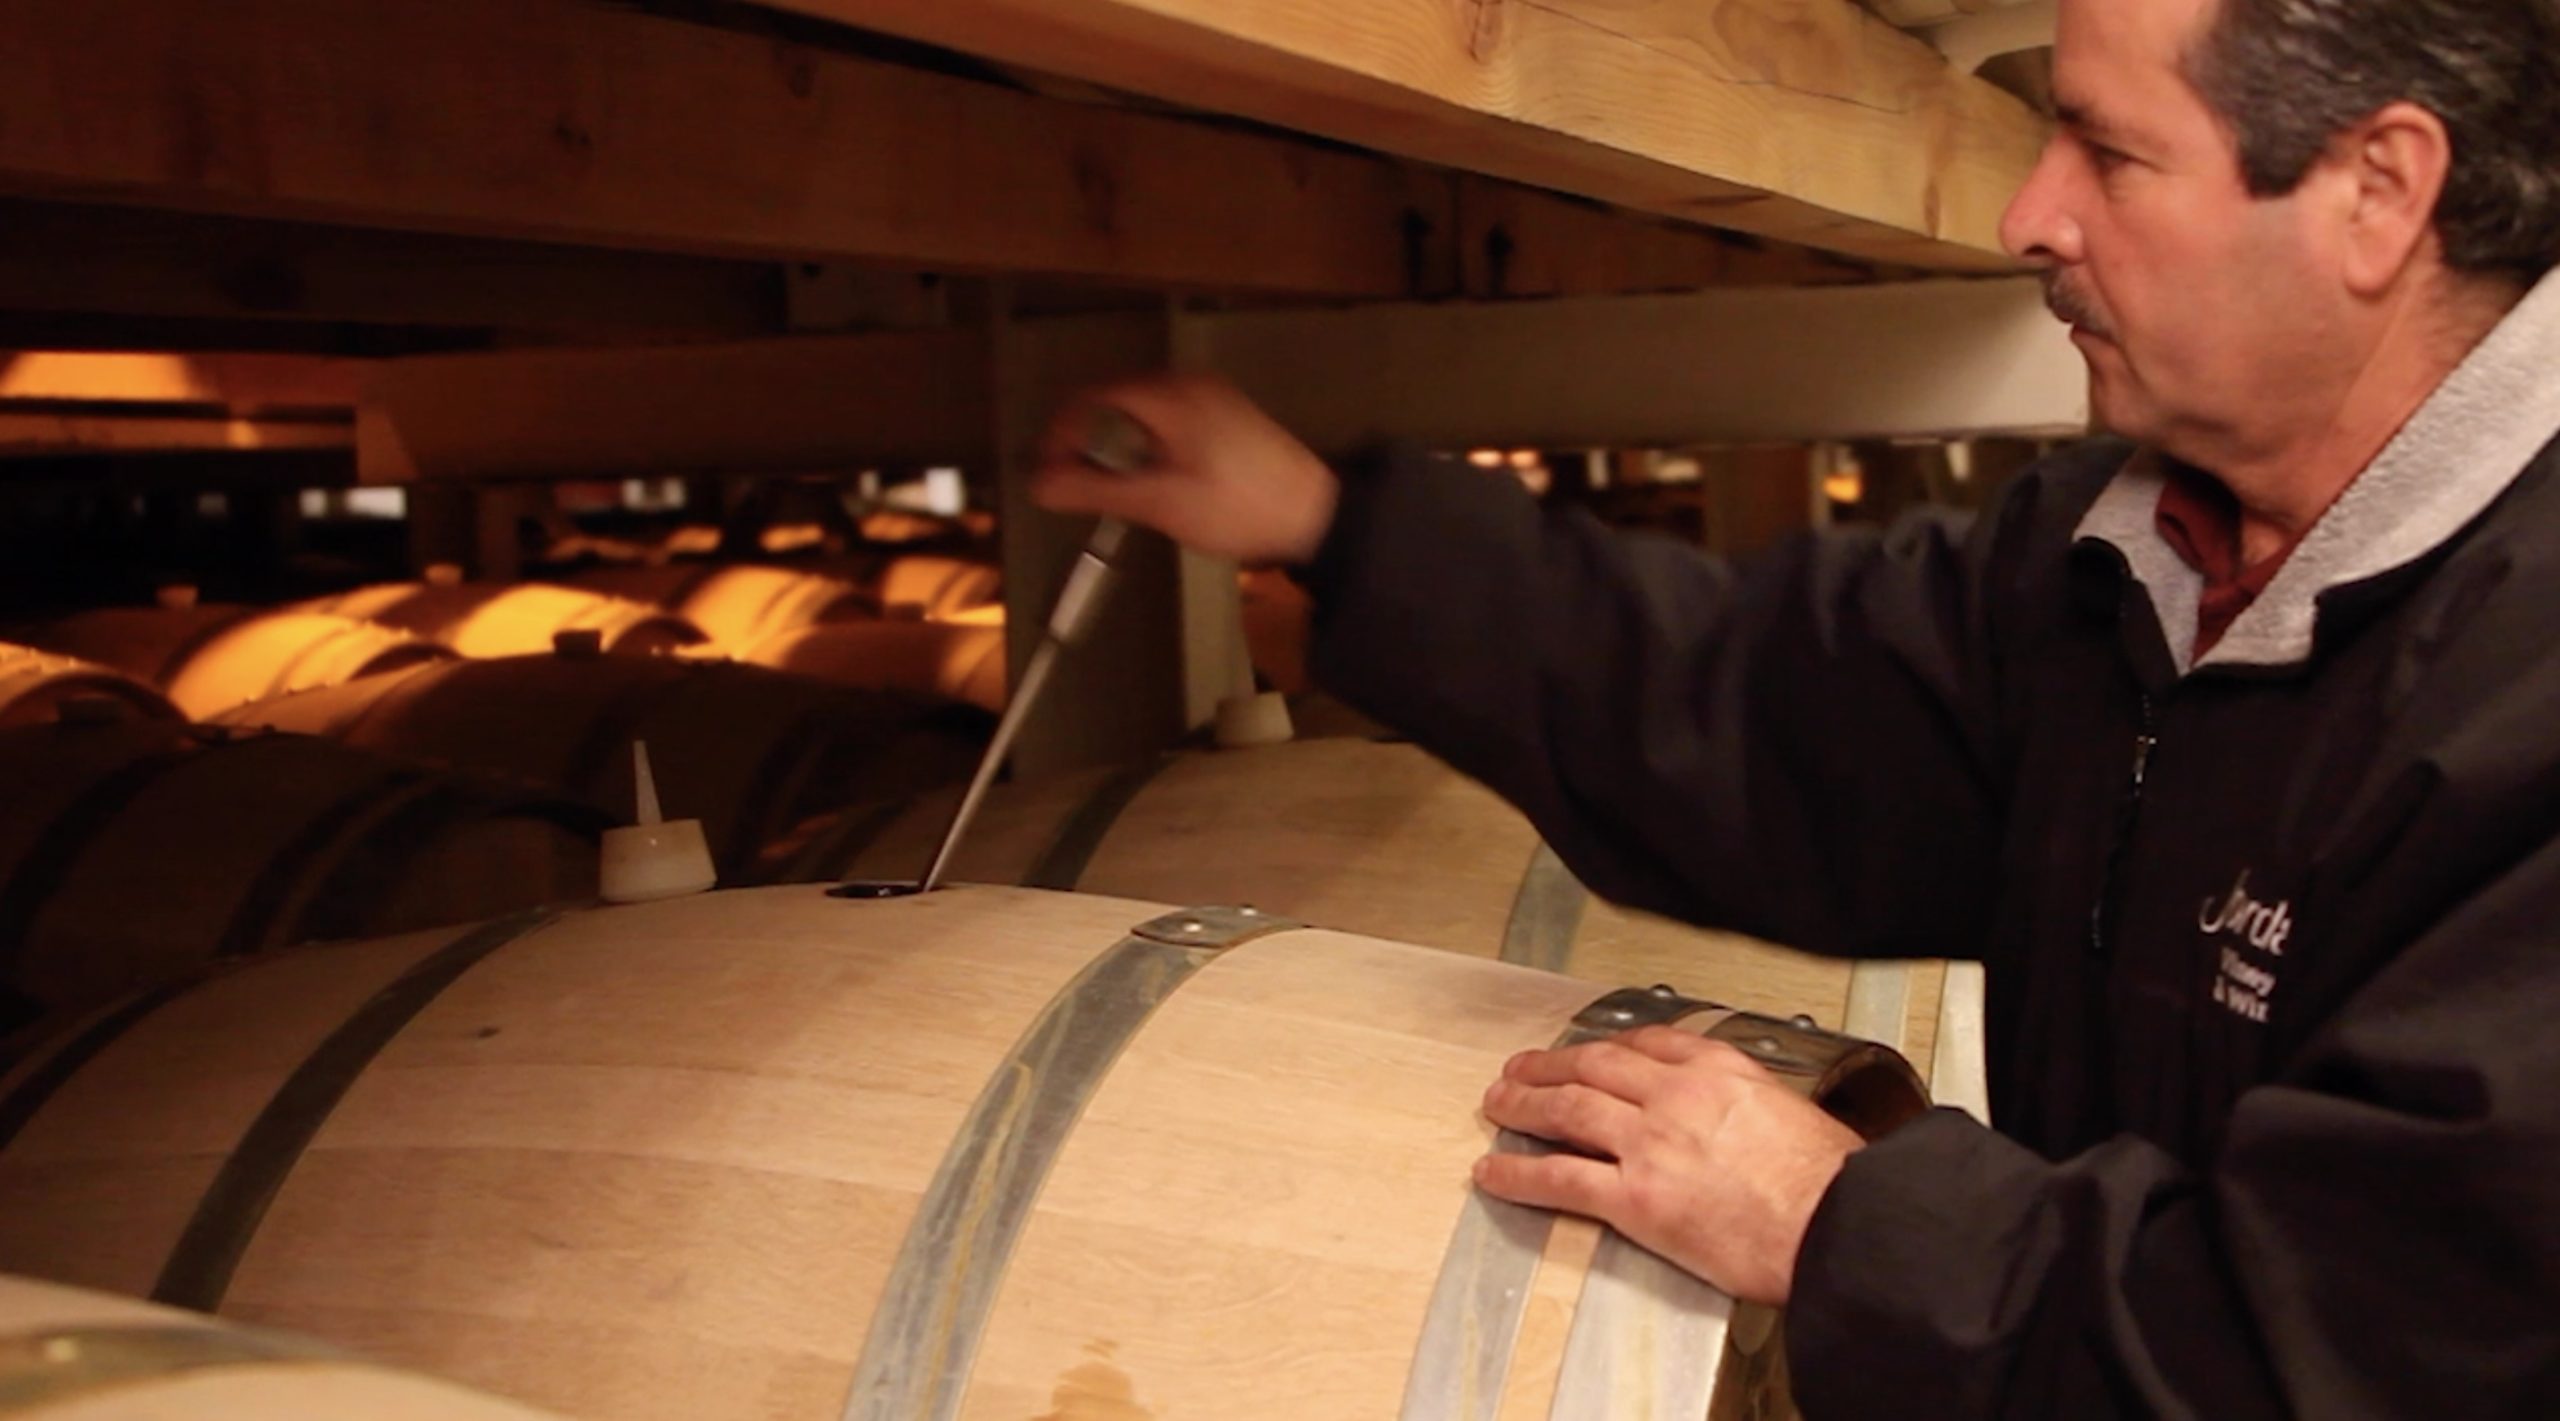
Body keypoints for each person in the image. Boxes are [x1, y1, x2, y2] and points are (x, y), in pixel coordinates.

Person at [1032, 0, 2560, 1414]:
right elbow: (1752, 707)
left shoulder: (2526, 694)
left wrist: (1845, 1220)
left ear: (2378, 190)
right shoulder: (2124, 551)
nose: (2030, 213)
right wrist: (1327, 524)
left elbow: (2354, 1355)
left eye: (2108, 149)